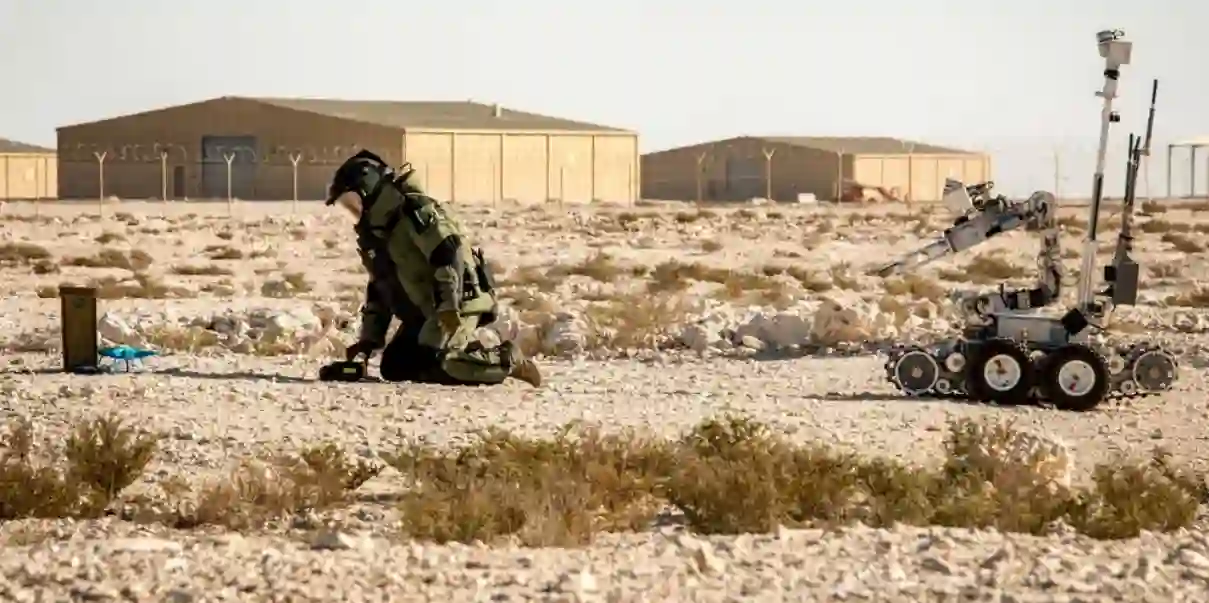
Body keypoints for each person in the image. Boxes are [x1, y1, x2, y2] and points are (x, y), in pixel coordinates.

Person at [325, 149, 542, 387]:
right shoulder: (379, 234)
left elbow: (447, 253)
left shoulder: (413, 211)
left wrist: (448, 306)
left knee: (439, 362)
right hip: (426, 310)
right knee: (396, 366)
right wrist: (367, 344)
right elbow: (381, 288)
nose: (354, 213)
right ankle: (466, 351)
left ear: (368, 192)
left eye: (353, 203)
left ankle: (507, 359)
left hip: (458, 302)